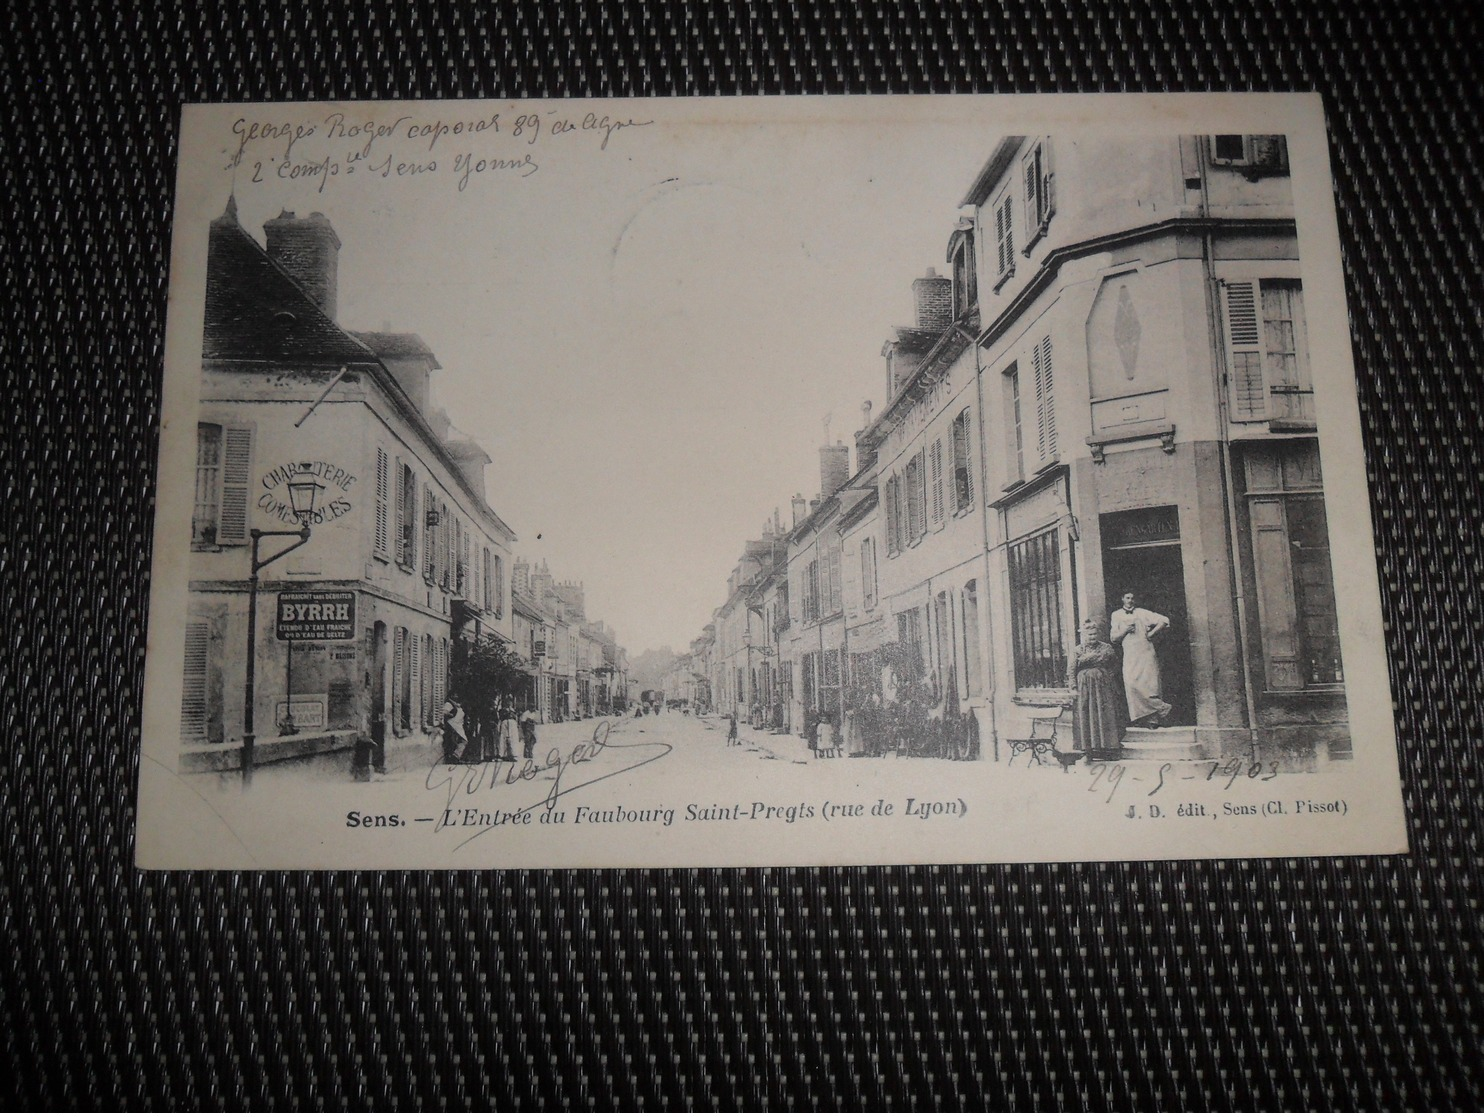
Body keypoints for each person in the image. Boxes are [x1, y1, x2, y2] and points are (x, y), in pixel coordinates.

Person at [1110, 591, 1173, 727]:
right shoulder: (1116, 615)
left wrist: (1151, 633)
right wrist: (1125, 630)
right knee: (1132, 684)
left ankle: (1152, 720)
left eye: (1133, 598)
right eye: (1127, 598)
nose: (1130, 601)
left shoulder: (1143, 612)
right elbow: (1113, 638)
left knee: (1149, 685)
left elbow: (1164, 620)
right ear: (1122, 599)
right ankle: (1161, 708)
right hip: (1130, 654)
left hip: (1146, 652)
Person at [1067, 618, 1124, 759]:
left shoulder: (1106, 648)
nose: (1092, 637)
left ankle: (1108, 748)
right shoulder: (1077, 650)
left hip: (1103, 686)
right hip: (1084, 686)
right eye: (1089, 635)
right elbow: (1071, 670)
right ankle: (1089, 749)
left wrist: (1107, 676)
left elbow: (1115, 664)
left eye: (1094, 634)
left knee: (1105, 714)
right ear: (1084, 635)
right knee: (1087, 714)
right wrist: (1073, 688)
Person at [441, 699, 467, 764]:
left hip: (458, 726)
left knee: (460, 742)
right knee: (460, 741)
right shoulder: (449, 704)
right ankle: (454, 757)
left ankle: (455, 757)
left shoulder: (457, 705)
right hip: (452, 725)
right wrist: (451, 715)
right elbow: (443, 713)